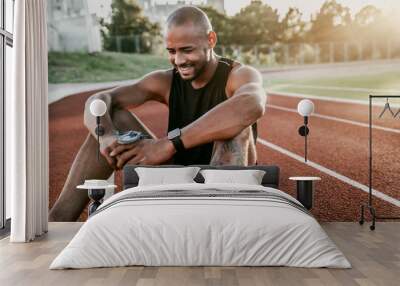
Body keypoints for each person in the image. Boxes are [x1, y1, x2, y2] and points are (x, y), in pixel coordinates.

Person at [49, 6, 266, 222]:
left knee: (237, 126)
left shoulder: (238, 75)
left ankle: (216, 219)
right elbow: (99, 100)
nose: (179, 60)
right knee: (112, 118)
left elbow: (252, 104)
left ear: (211, 40)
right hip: (179, 180)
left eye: (187, 50)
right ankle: (58, 220)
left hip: (227, 187)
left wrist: (168, 144)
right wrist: (106, 136)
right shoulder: (166, 81)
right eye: (172, 51)